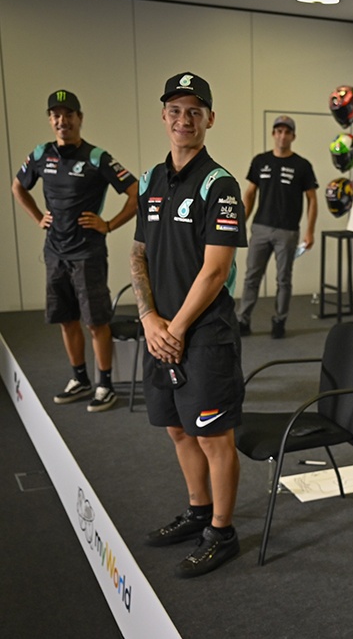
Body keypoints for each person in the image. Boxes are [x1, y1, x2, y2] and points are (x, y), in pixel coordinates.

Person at [130, 72, 247, 578]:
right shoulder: (152, 180)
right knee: (177, 428)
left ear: (209, 120)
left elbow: (216, 270)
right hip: (160, 329)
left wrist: (173, 327)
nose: (184, 119)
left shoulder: (218, 183)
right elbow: (137, 253)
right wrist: (148, 318)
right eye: (175, 110)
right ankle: (197, 510)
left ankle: (222, 532)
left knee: (213, 435)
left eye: (194, 111)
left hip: (204, 335)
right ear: (163, 117)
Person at [12, 89, 139, 413]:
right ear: (51, 120)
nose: (62, 120)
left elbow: (136, 192)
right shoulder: (41, 155)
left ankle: (105, 385)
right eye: (56, 115)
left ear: (79, 118)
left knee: (96, 322)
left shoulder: (97, 158)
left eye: (68, 115)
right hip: (55, 253)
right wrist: (39, 216)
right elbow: (17, 186)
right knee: (66, 320)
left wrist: (108, 224)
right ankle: (80, 379)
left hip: (87, 254)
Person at [236, 115, 318, 339]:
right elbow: (250, 193)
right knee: (251, 276)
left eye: (287, 132)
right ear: (273, 134)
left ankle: (279, 320)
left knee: (283, 279)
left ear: (293, 136)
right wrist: (240, 223)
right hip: (260, 228)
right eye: (278, 131)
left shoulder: (302, 165)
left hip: (288, 232)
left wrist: (309, 230)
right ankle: (243, 319)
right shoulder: (260, 161)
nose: (282, 136)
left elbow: (312, 200)